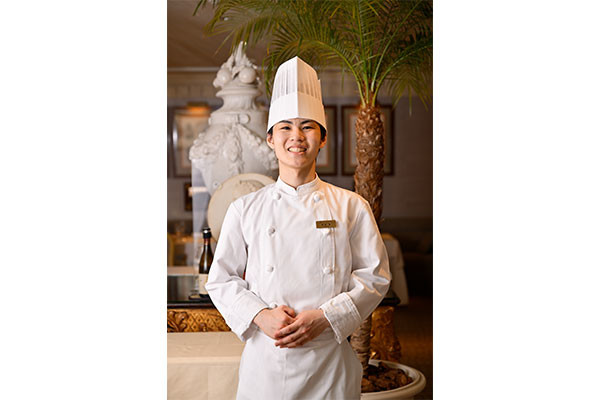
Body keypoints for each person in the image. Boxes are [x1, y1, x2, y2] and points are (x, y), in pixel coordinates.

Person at [206, 56, 391, 400]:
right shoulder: (244, 209)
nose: (296, 137)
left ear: (322, 139)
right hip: (266, 364)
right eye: (285, 127)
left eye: (307, 127)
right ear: (270, 139)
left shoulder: (351, 206)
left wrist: (326, 317)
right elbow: (221, 279)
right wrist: (260, 315)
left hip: (329, 366)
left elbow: (375, 276)